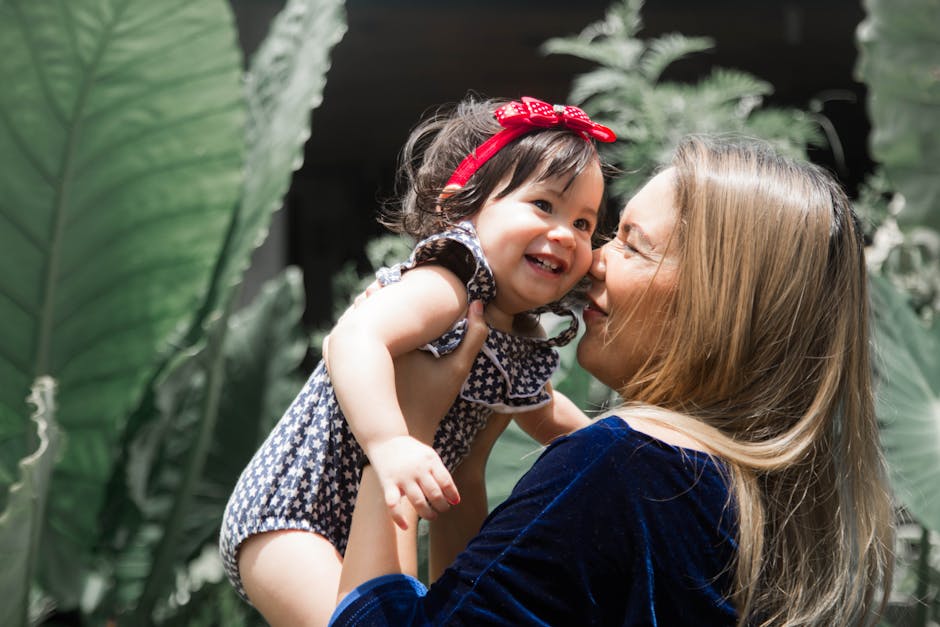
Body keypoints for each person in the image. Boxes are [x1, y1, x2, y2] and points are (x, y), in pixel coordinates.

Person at [330, 135, 896, 626]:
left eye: (632, 244)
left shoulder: (621, 467)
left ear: (713, 303)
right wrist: (468, 466)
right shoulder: (744, 493)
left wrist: (406, 427)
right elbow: (473, 604)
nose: (593, 259)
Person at [219, 95, 616, 626]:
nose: (567, 233)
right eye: (544, 206)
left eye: (586, 223)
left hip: (373, 508)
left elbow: (545, 414)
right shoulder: (450, 280)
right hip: (293, 513)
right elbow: (353, 338)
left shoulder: (518, 329)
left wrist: (614, 447)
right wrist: (389, 442)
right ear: (466, 206)